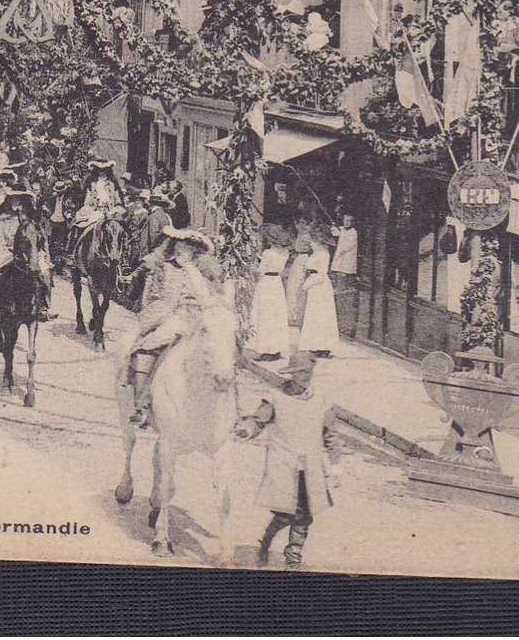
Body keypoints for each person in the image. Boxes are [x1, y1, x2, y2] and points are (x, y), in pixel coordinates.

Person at [236, 349, 336, 569]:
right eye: (301, 373)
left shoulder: (322, 399)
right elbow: (258, 421)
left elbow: (329, 434)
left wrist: (337, 464)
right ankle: (266, 542)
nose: (305, 377)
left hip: (310, 468)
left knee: (304, 515)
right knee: (283, 515)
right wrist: (247, 430)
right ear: (292, 374)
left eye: (308, 372)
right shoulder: (276, 397)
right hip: (283, 464)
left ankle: (293, 557)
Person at [123, 227, 220, 426]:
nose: (183, 250)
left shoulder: (203, 273)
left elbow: (211, 297)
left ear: (196, 251)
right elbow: (152, 297)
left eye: (189, 247)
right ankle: (141, 404)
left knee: (223, 350)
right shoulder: (165, 268)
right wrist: (158, 313)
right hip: (175, 317)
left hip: (201, 318)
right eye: (179, 245)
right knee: (147, 348)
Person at [0, 189, 54, 322]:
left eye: (19, 198)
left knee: (46, 273)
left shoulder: (32, 218)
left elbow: (41, 238)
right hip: (5, 253)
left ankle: (45, 306)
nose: (16, 202)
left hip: (30, 254)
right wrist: (6, 254)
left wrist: (43, 255)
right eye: (13, 198)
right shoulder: (2, 218)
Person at [290, 222, 341, 358]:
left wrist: (306, 285)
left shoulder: (323, 254)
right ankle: (316, 344)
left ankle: (324, 346)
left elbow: (321, 274)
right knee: (314, 316)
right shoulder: (316, 253)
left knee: (321, 316)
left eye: (314, 240)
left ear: (320, 241)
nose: (311, 242)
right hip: (314, 287)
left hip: (320, 286)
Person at [251, 222, 295, 361]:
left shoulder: (268, 253)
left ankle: (267, 349)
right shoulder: (285, 252)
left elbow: (261, 269)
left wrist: (256, 262)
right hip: (277, 283)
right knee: (276, 315)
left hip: (267, 283)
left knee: (266, 315)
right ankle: (276, 349)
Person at [73, 159, 123, 230]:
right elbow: (87, 198)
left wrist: (114, 210)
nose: (102, 172)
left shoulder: (112, 183)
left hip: (109, 210)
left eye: (104, 170)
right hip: (94, 210)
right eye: (100, 170)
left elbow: (118, 198)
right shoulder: (92, 183)